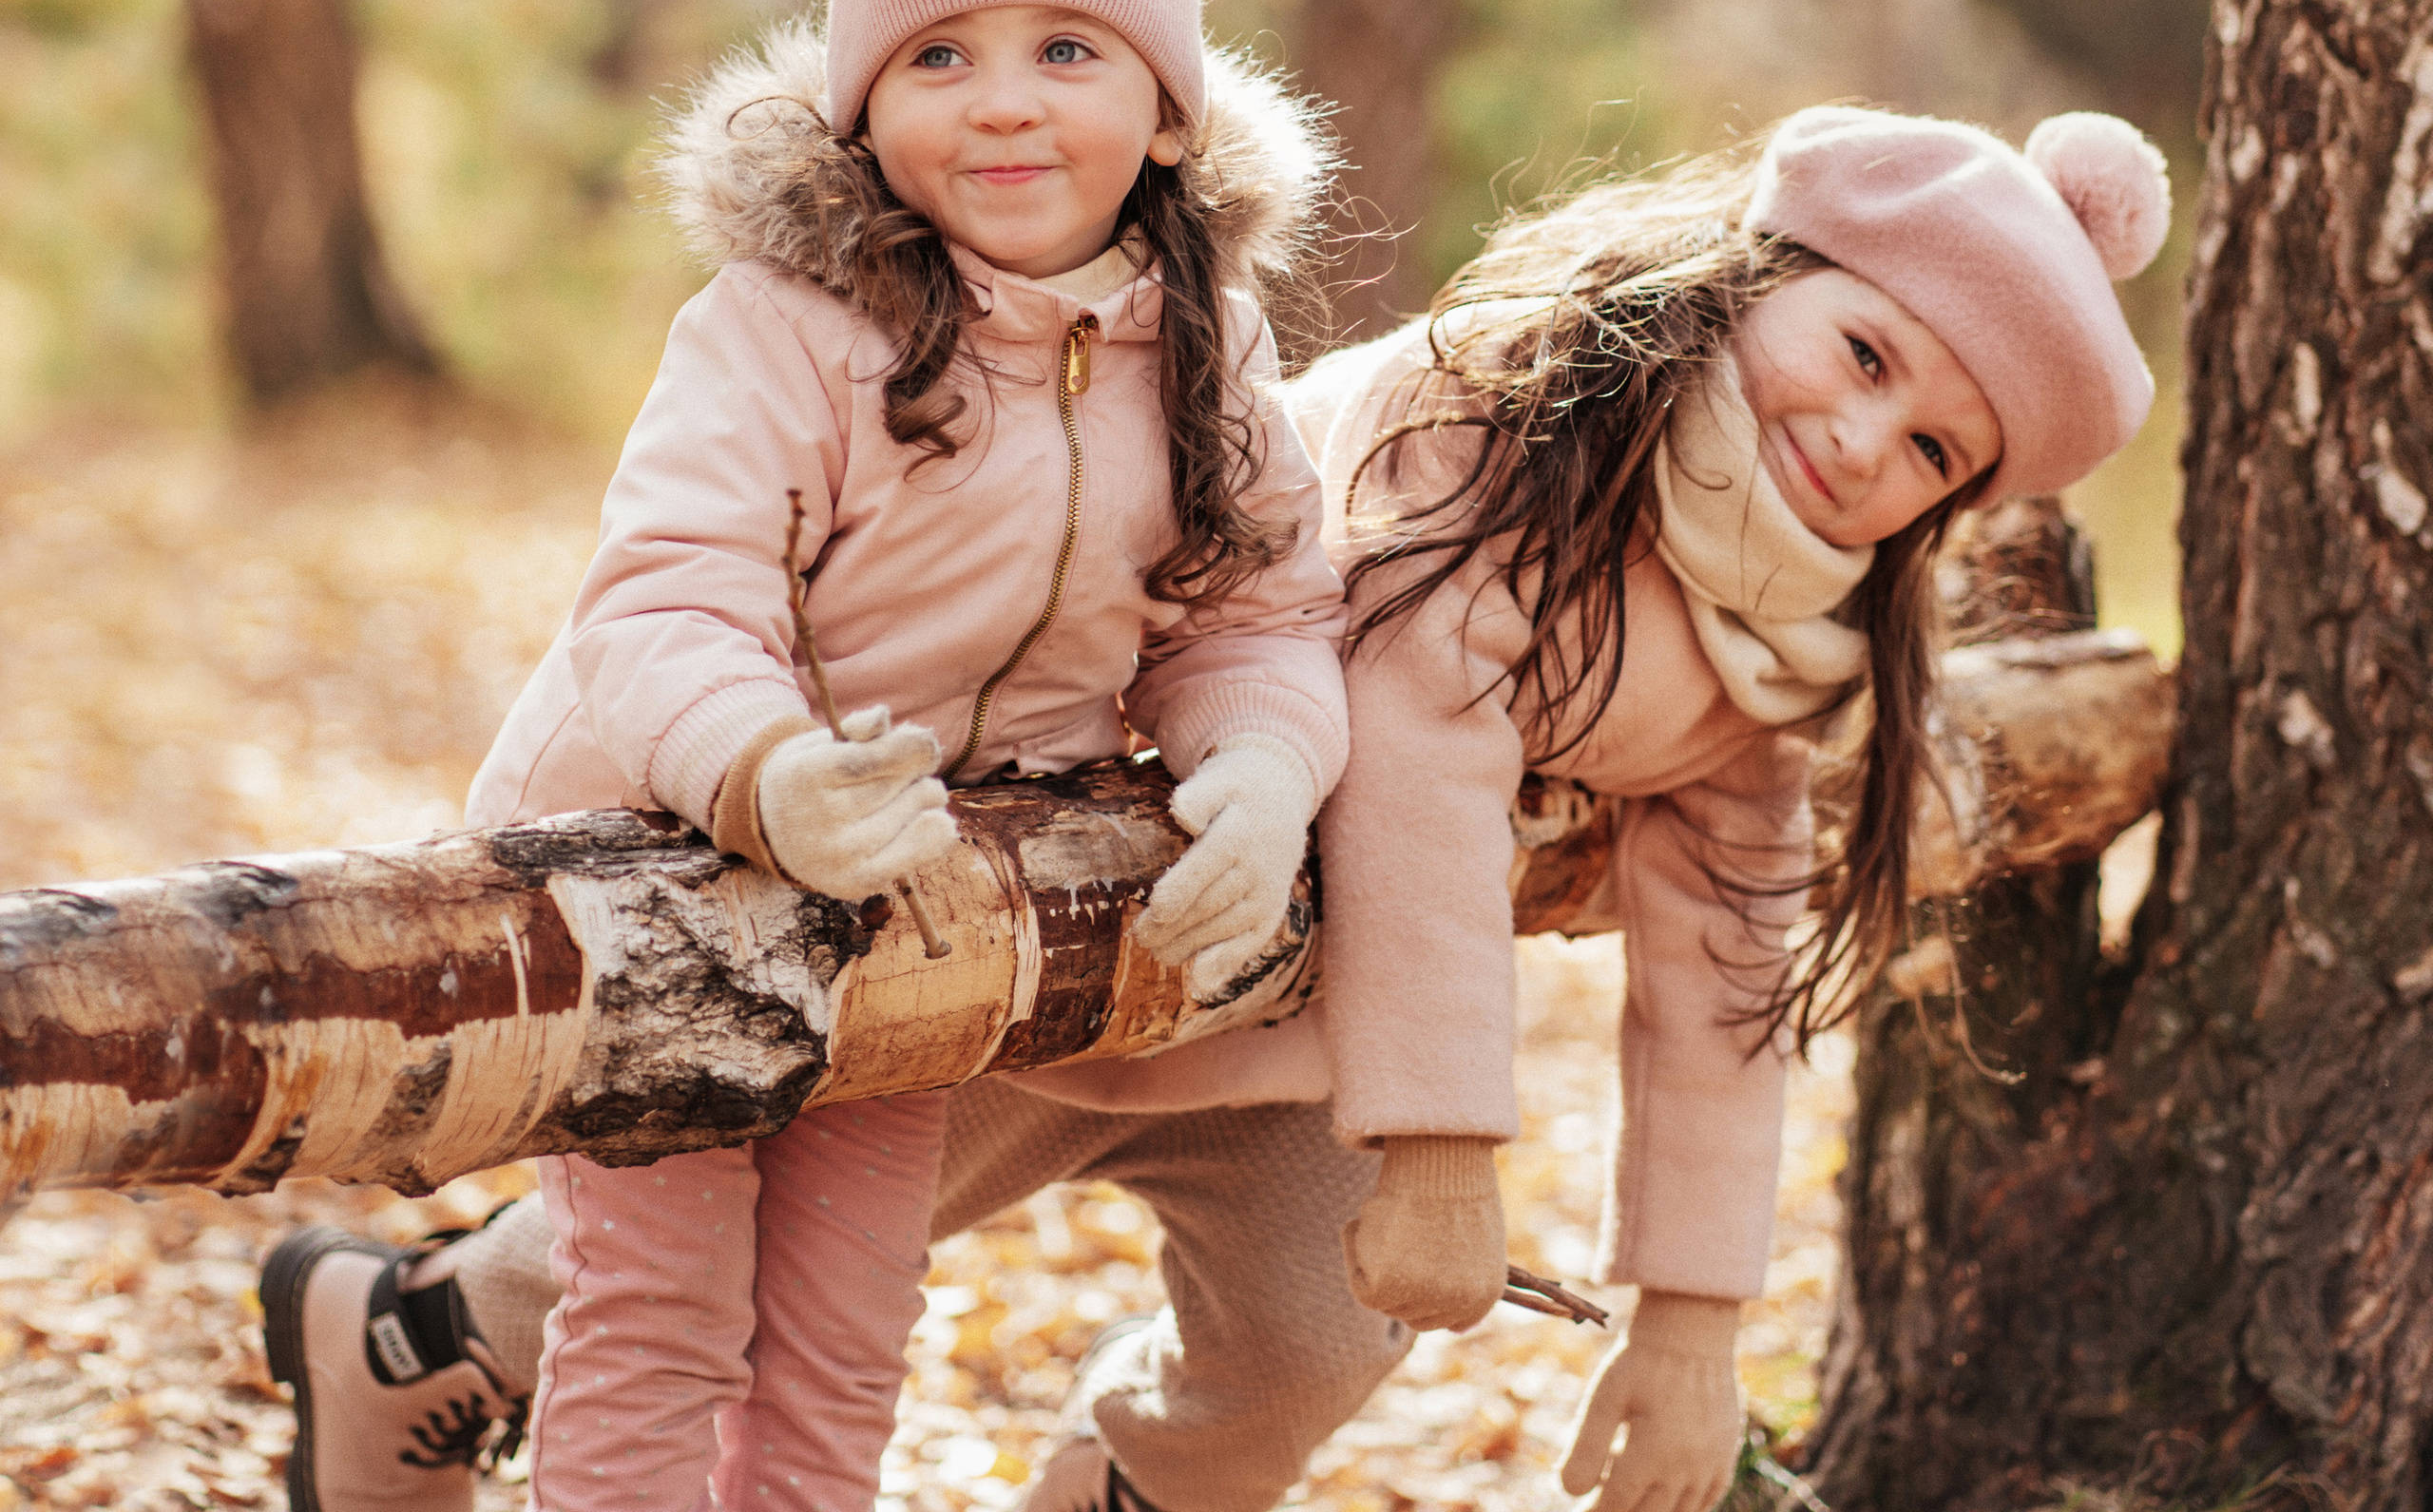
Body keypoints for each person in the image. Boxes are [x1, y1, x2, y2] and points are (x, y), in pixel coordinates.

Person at [267, 101, 2169, 1512]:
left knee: (1305, 1340)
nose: (1862, 440)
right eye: (1859, 353)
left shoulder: (1787, 648)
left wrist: (1687, 1312)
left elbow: (1722, 954)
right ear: (1759, 276)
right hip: (1068, 916)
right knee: (758, 1269)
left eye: (1932, 445)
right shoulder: (1487, 412)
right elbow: (1414, 744)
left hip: (1295, 1035)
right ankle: (399, 1341)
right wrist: (1441, 1149)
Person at [260, 0, 1351, 1512]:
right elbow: (664, 590)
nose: (998, 103)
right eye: (936, 55)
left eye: (1064, 48)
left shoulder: (1203, 343)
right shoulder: (786, 324)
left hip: (924, 896)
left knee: (843, 1322)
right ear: (862, 105)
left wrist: (1260, 764)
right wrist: (761, 764)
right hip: (665, 867)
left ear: (1167, 109)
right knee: (663, 1308)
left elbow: (1253, 605)